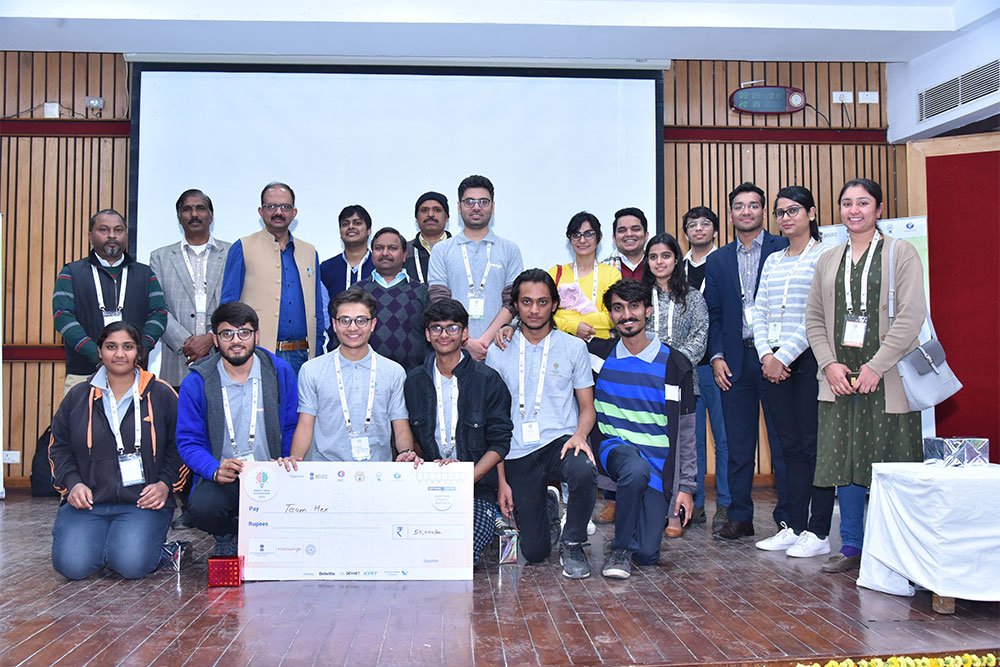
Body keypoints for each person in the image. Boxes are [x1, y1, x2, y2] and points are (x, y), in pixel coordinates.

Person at [805, 178, 926, 573]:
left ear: (879, 209)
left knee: (891, 461)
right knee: (846, 460)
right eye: (847, 203)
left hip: (887, 378)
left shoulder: (900, 253)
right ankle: (852, 545)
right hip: (840, 377)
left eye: (862, 203)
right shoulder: (828, 259)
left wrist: (877, 365)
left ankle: (895, 551)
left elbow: (911, 315)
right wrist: (829, 364)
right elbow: (814, 318)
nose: (853, 210)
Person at [48, 322, 185, 579]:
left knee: (131, 566)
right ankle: (109, 547)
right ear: (100, 351)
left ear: (138, 352)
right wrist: (73, 484)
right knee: (72, 566)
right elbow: (59, 448)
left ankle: (156, 550)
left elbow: (180, 445)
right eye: (111, 347)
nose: (120, 354)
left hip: (143, 502)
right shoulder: (78, 396)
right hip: (89, 503)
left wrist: (165, 484)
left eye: (127, 347)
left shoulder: (161, 393)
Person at [486, 269, 597, 578]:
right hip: (517, 451)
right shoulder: (499, 350)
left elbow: (587, 407)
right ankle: (548, 504)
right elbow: (494, 421)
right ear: (516, 306)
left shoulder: (574, 348)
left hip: (561, 442)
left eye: (542, 302)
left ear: (554, 305)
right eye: (526, 302)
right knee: (534, 553)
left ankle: (573, 543)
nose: (534, 310)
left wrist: (580, 435)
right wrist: (501, 479)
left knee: (583, 469)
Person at [751, 186, 834, 558]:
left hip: (810, 360)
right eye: (781, 212)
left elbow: (816, 313)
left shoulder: (825, 255)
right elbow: (760, 311)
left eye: (794, 210)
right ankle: (795, 526)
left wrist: (783, 356)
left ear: (811, 213)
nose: (786, 218)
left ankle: (819, 531)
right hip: (772, 363)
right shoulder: (773, 260)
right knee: (789, 450)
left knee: (814, 447)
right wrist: (766, 355)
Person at [176, 302, 298, 556]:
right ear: (215, 339)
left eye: (244, 332)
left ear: (256, 336)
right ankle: (228, 533)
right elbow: (189, 441)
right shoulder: (197, 381)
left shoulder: (279, 372)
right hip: (225, 473)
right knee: (201, 509)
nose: (236, 341)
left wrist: (287, 459)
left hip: (271, 471)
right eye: (227, 334)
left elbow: (291, 424)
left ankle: (262, 531)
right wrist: (213, 469)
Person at [704, 182, 789, 540]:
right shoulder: (718, 260)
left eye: (753, 205)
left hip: (777, 359)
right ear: (731, 214)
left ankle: (788, 516)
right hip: (735, 361)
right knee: (738, 445)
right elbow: (715, 315)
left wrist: (782, 355)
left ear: (763, 211)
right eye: (739, 206)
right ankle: (740, 517)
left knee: (783, 442)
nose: (746, 211)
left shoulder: (783, 248)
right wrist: (716, 357)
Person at [594, 280, 696, 579]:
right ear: (610, 315)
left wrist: (686, 488)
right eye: (618, 308)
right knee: (634, 468)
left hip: (658, 466)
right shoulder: (597, 356)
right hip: (615, 450)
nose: (626, 315)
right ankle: (620, 549)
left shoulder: (676, 364)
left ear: (648, 310)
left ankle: (633, 538)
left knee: (648, 554)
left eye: (634, 306)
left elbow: (687, 433)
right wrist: (508, 328)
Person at [403, 299, 512, 566]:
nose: (444, 334)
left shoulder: (488, 380)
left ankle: (493, 522)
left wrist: (465, 479)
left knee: (461, 555)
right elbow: (411, 437)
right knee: (416, 552)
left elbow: (499, 443)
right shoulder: (414, 381)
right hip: (428, 485)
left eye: (452, 328)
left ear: (465, 333)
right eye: (436, 328)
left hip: (476, 487)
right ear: (427, 334)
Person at [282, 289, 420, 466]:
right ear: (334, 324)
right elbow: (305, 424)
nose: (352, 328)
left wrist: (406, 453)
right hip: (325, 470)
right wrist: (296, 461)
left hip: (377, 471)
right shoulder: (311, 370)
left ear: (373, 324)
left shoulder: (393, 371)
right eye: (345, 320)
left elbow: (400, 424)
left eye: (361, 320)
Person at [52, 209, 168, 395]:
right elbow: (62, 317)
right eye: (104, 230)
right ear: (90, 236)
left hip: (134, 373)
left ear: (126, 235)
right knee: (83, 416)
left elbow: (159, 314)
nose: (112, 235)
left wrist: (139, 350)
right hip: (84, 374)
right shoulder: (72, 273)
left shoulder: (145, 274)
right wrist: (97, 354)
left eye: (118, 230)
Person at [642, 233, 708, 537]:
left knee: (681, 449)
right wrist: (652, 366)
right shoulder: (640, 297)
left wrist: (675, 365)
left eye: (666, 256)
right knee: (648, 448)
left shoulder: (693, 297)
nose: (659, 262)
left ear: (676, 260)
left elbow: (700, 336)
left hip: (683, 381)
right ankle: (648, 509)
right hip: (647, 383)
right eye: (653, 257)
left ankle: (675, 514)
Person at [220, 182, 323, 375]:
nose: (278, 212)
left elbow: (317, 308)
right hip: (259, 355)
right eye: (271, 206)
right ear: (261, 211)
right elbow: (228, 306)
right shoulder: (243, 247)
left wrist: (317, 351)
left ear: (294, 212)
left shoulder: (309, 252)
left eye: (285, 207)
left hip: (303, 356)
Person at [427, 175, 523, 360]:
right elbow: (439, 301)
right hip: (454, 350)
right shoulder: (441, 250)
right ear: (459, 207)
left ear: (493, 207)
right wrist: (465, 341)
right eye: (469, 201)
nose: (476, 207)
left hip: (499, 348)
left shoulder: (510, 249)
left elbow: (512, 301)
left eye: (483, 202)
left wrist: (484, 342)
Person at [149, 189, 231, 388]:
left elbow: (236, 302)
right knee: (179, 408)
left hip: (222, 355)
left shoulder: (231, 253)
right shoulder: (160, 257)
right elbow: (157, 307)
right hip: (178, 358)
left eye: (200, 208)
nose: (194, 214)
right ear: (179, 217)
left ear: (211, 215)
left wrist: (212, 337)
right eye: (187, 209)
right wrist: (185, 342)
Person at [682, 206, 730, 532]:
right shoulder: (678, 269)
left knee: (725, 439)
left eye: (705, 224)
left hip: (720, 363)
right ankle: (694, 503)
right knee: (693, 440)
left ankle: (725, 503)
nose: (699, 229)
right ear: (686, 232)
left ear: (714, 229)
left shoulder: (725, 262)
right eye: (692, 225)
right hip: (688, 367)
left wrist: (719, 355)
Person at [337, 227, 429, 371]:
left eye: (392, 248)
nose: (385, 253)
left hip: (411, 376)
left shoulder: (421, 291)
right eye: (379, 248)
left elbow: (431, 337)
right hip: (362, 374)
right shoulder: (356, 291)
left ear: (405, 255)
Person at [549, 212, 622, 341]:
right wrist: (573, 326)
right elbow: (545, 314)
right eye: (576, 235)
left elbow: (612, 318)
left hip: (600, 346)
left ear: (599, 237)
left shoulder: (611, 274)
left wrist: (564, 316)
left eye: (589, 234)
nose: (582, 240)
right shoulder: (556, 273)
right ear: (570, 239)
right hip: (562, 344)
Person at [320, 204, 376, 299]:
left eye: (357, 223)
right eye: (345, 224)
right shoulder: (326, 268)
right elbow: (323, 306)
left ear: (369, 230)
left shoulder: (379, 267)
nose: (351, 227)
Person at [404, 191, 452, 284]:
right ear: (417, 218)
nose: (430, 214)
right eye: (424, 210)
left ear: (447, 217)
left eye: (437, 210)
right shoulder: (404, 251)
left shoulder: (459, 249)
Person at [601, 207, 649, 282]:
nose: (629, 234)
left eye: (635, 229)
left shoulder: (659, 266)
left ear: (646, 235)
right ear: (614, 238)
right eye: (622, 230)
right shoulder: (601, 270)